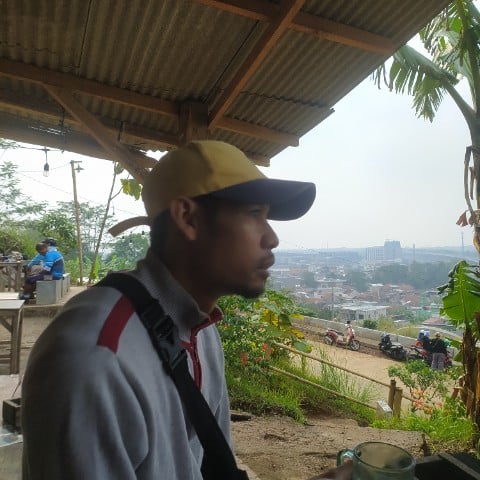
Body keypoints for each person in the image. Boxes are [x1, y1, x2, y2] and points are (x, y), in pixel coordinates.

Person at [22, 141, 348, 479]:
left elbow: (213, 469)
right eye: (254, 214)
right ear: (188, 218)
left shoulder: (202, 330)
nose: (272, 238)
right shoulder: (97, 358)